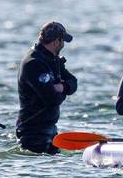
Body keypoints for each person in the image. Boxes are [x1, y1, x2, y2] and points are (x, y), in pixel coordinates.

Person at [16, 21, 78, 154]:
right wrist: (61, 90)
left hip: (50, 131)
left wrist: (61, 87)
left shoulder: (53, 60)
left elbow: (73, 82)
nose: (63, 45)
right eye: (62, 41)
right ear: (56, 42)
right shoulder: (34, 63)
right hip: (33, 133)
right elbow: (52, 99)